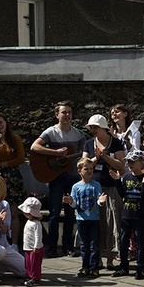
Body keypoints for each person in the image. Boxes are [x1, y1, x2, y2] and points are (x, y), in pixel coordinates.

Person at [30, 101, 86, 258]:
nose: (67, 115)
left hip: (73, 178)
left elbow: (86, 151)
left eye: (69, 112)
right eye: (64, 112)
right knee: (54, 212)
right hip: (56, 177)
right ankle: (51, 246)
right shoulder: (51, 132)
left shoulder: (78, 134)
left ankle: (68, 246)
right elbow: (34, 147)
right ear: (57, 115)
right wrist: (54, 153)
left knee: (70, 212)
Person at [83, 114, 125, 270]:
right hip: (95, 188)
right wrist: (95, 159)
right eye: (91, 128)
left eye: (95, 127)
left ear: (103, 128)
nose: (93, 130)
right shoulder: (88, 144)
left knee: (112, 224)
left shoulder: (116, 143)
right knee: (97, 225)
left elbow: (121, 165)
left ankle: (111, 259)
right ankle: (98, 259)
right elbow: (84, 165)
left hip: (111, 188)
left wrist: (105, 157)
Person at [113, 150, 144, 280]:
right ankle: (123, 267)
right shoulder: (126, 177)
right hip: (127, 214)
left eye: (133, 162)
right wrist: (116, 181)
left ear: (141, 162)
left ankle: (140, 268)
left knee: (139, 243)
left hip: (139, 216)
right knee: (124, 242)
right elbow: (122, 194)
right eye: (128, 162)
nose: (130, 164)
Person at [0, 112, 26, 245]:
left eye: (0, 122)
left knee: (13, 212)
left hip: (12, 177)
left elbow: (20, 158)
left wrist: (3, 164)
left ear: (6, 123)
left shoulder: (15, 139)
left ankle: (13, 243)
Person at [63, 158, 107, 278]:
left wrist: (101, 201)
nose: (89, 171)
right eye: (86, 169)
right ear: (79, 171)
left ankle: (94, 267)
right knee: (84, 245)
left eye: (91, 169)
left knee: (94, 245)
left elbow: (98, 200)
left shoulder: (96, 185)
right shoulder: (76, 187)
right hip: (81, 219)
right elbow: (75, 204)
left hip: (94, 219)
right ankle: (85, 266)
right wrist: (70, 201)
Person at [19, 197, 44, 287]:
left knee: (34, 264)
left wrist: (37, 246)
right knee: (28, 264)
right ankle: (29, 276)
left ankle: (35, 278)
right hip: (27, 247)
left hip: (34, 248)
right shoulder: (29, 221)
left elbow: (38, 236)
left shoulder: (36, 223)